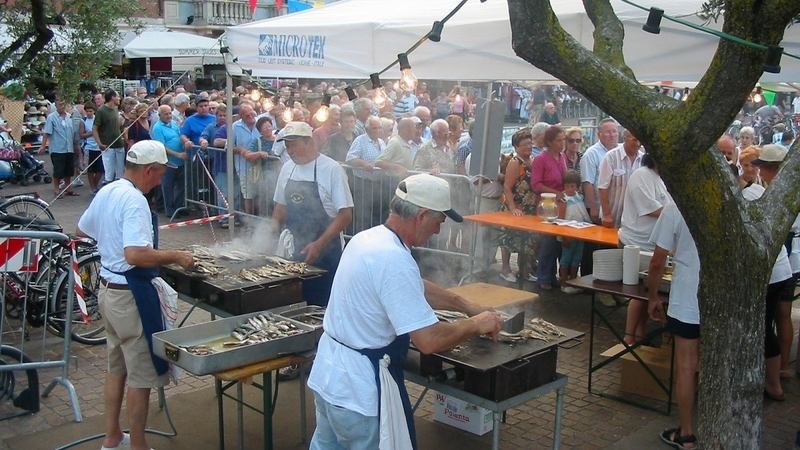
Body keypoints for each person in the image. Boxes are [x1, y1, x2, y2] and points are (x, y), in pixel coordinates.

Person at [307, 173, 502, 450]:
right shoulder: (393, 259)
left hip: (329, 377)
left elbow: (410, 285)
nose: (438, 231)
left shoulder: (368, 239)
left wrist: (463, 304)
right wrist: (476, 324)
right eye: (439, 221)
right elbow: (428, 340)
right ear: (421, 215)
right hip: (358, 393)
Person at [77, 140, 193, 450]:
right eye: (159, 174)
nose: (160, 180)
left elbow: (82, 229)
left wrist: (109, 242)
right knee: (141, 378)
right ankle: (138, 445)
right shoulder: (135, 201)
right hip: (130, 296)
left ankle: (112, 437)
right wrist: (176, 256)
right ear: (148, 170)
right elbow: (136, 255)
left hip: (107, 290)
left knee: (116, 369)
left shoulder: (108, 189)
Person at [272, 121, 353, 307]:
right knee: (294, 302)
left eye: (294, 145)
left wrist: (318, 244)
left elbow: (345, 214)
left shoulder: (332, 169)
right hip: (294, 248)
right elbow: (280, 207)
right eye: (287, 146)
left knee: (323, 304)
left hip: (327, 251)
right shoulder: (287, 168)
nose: (289, 151)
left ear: (309, 142)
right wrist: (267, 236)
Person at [647, 204, 700, 450]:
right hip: (721, 298)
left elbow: (658, 260)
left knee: (686, 366)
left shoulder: (676, 207)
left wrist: (652, 296)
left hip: (688, 296)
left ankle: (687, 434)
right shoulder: (726, 200)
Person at [751, 144, 795, 400]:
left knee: (767, 325)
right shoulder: (773, 190)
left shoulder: (769, 193)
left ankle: (774, 381)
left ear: (768, 169)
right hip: (784, 267)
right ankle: (780, 371)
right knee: (780, 319)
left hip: (775, 268)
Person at [619, 155, 672, 343]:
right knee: (640, 293)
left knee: (648, 292)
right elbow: (651, 209)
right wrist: (678, 215)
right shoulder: (641, 176)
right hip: (635, 244)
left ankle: (639, 337)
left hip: (655, 244)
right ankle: (629, 338)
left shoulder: (661, 179)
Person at [498, 128, 538, 283]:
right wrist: (512, 207)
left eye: (530, 143)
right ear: (516, 146)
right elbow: (507, 187)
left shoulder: (533, 160)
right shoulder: (515, 162)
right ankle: (505, 269)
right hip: (515, 206)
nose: (529, 146)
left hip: (530, 206)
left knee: (527, 240)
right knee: (508, 239)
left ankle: (524, 270)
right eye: (525, 144)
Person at [531, 125, 568, 290]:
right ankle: (543, 276)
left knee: (557, 242)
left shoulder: (562, 157)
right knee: (547, 242)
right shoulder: (540, 159)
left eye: (563, 140)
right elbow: (536, 184)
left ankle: (553, 275)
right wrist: (555, 193)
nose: (562, 143)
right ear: (550, 141)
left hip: (561, 205)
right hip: (546, 204)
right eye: (559, 140)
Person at [598, 129, 644, 229]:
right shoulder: (611, 157)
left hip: (633, 221)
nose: (638, 143)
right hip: (612, 217)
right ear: (625, 138)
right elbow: (602, 187)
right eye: (634, 140)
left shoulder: (643, 159)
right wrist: (606, 215)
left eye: (640, 140)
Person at [150, 105, 187, 217]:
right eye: (166, 114)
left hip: (180, 161)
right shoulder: (157, 128)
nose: (169, 116)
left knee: (181, 186)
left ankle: (179, 207)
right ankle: (170, 211)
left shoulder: (174, 124)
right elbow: (162, 146)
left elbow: (180, 136)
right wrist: (178, 154)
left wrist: (186, 142)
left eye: (170, 113)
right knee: (168, 187)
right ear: (159, 115)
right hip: (168, 162)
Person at [558, 170, 590, 294]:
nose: (569, 189)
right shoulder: (563, 200)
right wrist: (562, 236)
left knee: (577, 257)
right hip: (567, 234)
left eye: (572, 186)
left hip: (579, 233)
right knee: (566, 258)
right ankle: (564, 282)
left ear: (577, 186)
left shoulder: (579, 197)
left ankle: (574, 281)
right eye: (566, 186)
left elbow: (583, 214)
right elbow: (560, 220)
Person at [41, 98, 80, 197]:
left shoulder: (69, 117)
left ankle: (68, 188)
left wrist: (76, 145)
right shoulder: (51, 117)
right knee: (58, 171)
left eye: (63, 104)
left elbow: (73, 133)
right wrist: (43, 145)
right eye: (59, 105)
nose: (62, 107)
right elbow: (46, 132)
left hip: (69, 148)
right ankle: (56, 190)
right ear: (56, 106)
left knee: (69, 170)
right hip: (57, 149)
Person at [93, 89, 126, 184]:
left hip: (119, 144)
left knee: (120, 174)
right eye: (117, 96)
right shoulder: (101, 111)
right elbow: (95, 128)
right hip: (107, 146)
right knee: (109, 174)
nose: (119, 98)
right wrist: (99, 143)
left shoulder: (116, 109)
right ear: (112, 97)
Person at [80, 103, 103, 194]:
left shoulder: (97, 119)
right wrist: (91, 133)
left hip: (98, 147)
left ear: (94, 111)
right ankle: (92, 187)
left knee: (100, 169)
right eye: (87, 111)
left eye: (91, 111)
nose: (89, 113)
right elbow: (81, 135)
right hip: (89, 148)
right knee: (90, 169)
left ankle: (95, 185)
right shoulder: (83, 121)